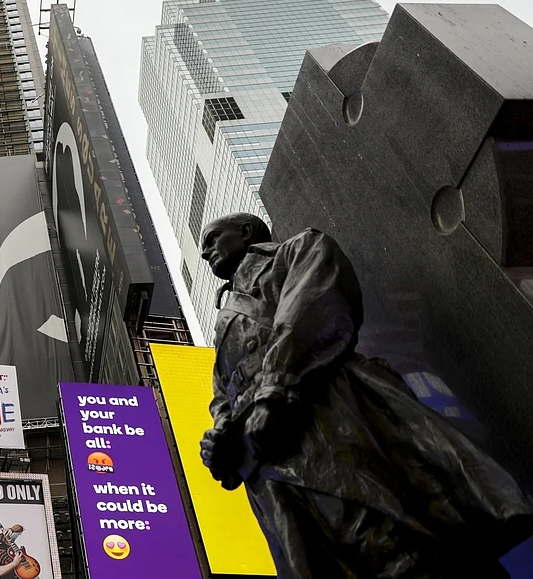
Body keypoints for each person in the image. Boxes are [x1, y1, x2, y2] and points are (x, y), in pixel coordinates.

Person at [197, 213, 533, 578]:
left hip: (331, 415)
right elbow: (222, 392)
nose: (206, 253)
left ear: (245, 232)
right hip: (271, 471)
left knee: (391, 542)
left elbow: (309, 312)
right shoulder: (222, 325)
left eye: (213, 239)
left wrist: (275, 388)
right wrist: (219, 439)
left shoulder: (300, 249)